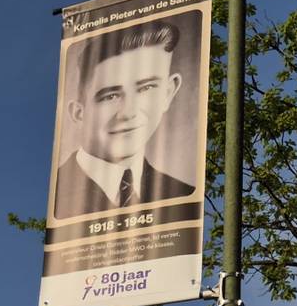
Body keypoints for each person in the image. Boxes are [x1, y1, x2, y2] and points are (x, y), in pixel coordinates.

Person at [54, 18, 196, 219]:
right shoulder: (54, 198)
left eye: (146, 88)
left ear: (168, 93)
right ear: (78, 113)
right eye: (110, 96)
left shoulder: (184, 196)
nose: (129, 112)